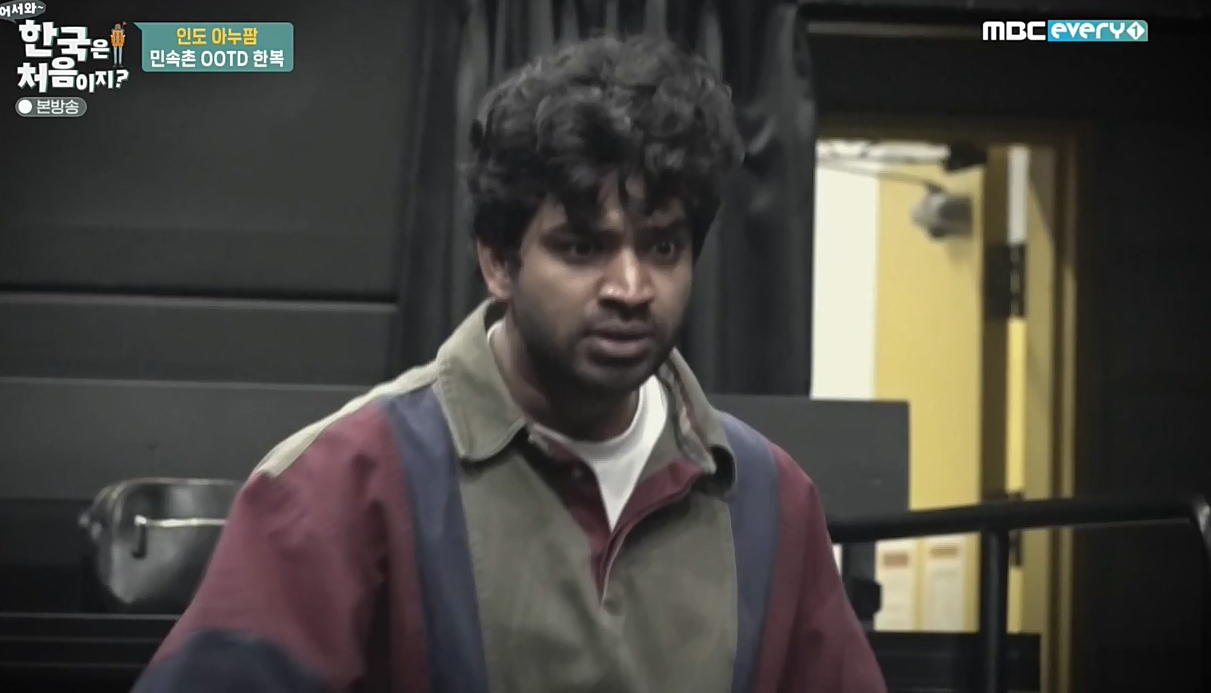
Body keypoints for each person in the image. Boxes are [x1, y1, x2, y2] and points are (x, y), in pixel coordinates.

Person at [132, 34, 887, 693]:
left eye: (662, 246)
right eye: (583, 247)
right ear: (498, 261)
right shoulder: (345, 482)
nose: (630, 288)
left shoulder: (768, 501)